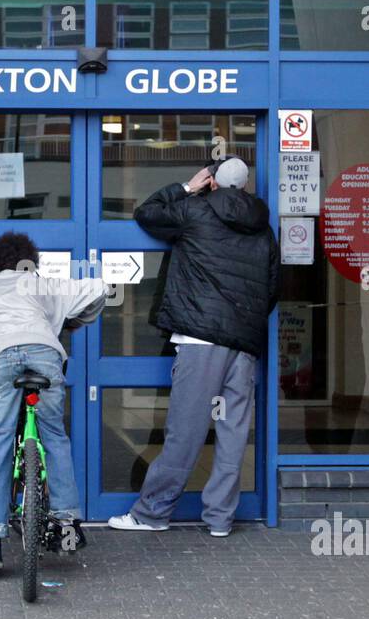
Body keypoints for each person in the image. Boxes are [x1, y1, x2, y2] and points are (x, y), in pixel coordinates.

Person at [108, 157, 279, 536]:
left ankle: (152, 513)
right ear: (245, 186)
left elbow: (147, 213)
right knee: (233, 432)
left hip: (201, 339)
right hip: (245, 342)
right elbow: (271, 286)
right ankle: (220, 518)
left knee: (185, 430)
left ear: (213, 182)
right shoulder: (263, 228)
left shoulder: (195, 210)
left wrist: (186, 187)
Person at [0, 232, 109, 577]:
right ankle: (66, 527)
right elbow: (98, 288)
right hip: (43, 352)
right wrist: (75, 322)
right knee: (53, 436)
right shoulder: (43, 285)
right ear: (29, 260)